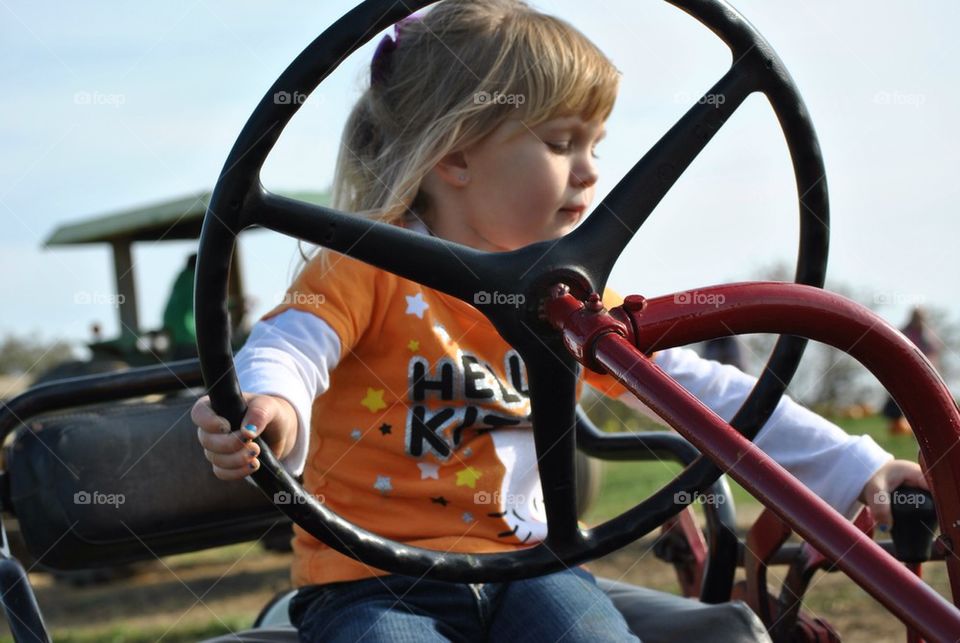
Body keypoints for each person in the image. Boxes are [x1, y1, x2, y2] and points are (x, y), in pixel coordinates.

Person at [192, 2, 928, 640]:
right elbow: (294, 343)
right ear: (455, 155)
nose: (591, 172)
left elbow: (704, 394)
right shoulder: (363, 266)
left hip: (530, 567)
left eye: (596, 145)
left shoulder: (573, 304)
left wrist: (856, 467)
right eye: (560, 142)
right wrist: (272, 405)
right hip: (372, 575)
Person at [884, 306, 943, 435]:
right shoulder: (903, 332)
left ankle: (921, 428)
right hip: (905, 370)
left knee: (923, 403)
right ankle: (898, 422)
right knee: (902, 399)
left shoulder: (928, 334)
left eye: (920, 317)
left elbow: (934, 352)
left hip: (924, 372)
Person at [162, 253, 198, 359]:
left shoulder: (182, 277)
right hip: (187, 337)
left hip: (173, 335)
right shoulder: (194, 280)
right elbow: (206, 304)